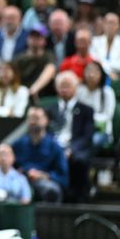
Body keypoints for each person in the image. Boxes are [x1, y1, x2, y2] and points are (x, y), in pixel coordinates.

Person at [47, 71, 95, 203]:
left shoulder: (86, 110)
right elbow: (48, 132)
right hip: (55, 146)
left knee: (79, 160)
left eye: (68, 86)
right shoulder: (50, 109)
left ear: (75, 88)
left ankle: (79, 198)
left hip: (75, 148)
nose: (64, 89)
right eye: (62, 86)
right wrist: (57, 148)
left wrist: (71, 149)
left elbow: (87, 136)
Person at [12, 106, 68, 203]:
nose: (33, 122)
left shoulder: (55, 147)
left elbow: (63, 178)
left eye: (36, 118)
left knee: (51, 190)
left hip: (44, 183)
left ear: (46, 120)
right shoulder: (18, 144)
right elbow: (10, 167)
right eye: (30, 118)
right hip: (20, 181)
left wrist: (43, 175)